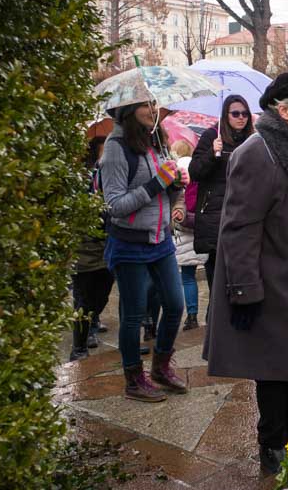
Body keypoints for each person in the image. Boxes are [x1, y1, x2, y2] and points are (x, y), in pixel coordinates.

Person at [205, 72, 288, 475]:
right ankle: (273, 448)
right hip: (274, 280)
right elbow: (239, 227)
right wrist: (244, 289)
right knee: (275, 371)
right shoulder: (257, 153)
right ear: (282, 110)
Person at [100, 95, 188, 402]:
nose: (153, 109)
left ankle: (161, 368)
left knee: (175, 306)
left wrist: (176, 184)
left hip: (160, 239)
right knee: (134, 316)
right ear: (128, 110)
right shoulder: (116, 147)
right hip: (129, 243)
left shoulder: (155, 140)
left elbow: (163, 195)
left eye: (154, 102)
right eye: (144, 104)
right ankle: (134, 379)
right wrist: (157, 183)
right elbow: (115, 206)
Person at [190, 93, 254, 292]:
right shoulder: (212, 136)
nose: (241, 117)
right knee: (218, 279)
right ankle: (214, 319)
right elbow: (195, 172)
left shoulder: (252, 140)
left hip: (243, 215)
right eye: (235, 113)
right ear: (225, 116)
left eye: (245, 113)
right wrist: (212, 153)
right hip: (216, 216)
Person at [70, 135, 114, 360]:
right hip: (85, 246)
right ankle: (79, 348)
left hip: (106, 244)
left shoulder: (110, 175)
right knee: (83, 298)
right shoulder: (81, 177)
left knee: (102, 294)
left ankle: (92, 324)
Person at [170, 139, 204, 330]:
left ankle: (191, 316)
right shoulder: (199, 167)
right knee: (208, 270)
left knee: (188, 277)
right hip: (200, 227)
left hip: (182, 232)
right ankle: (208, 313)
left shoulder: (175, 170)